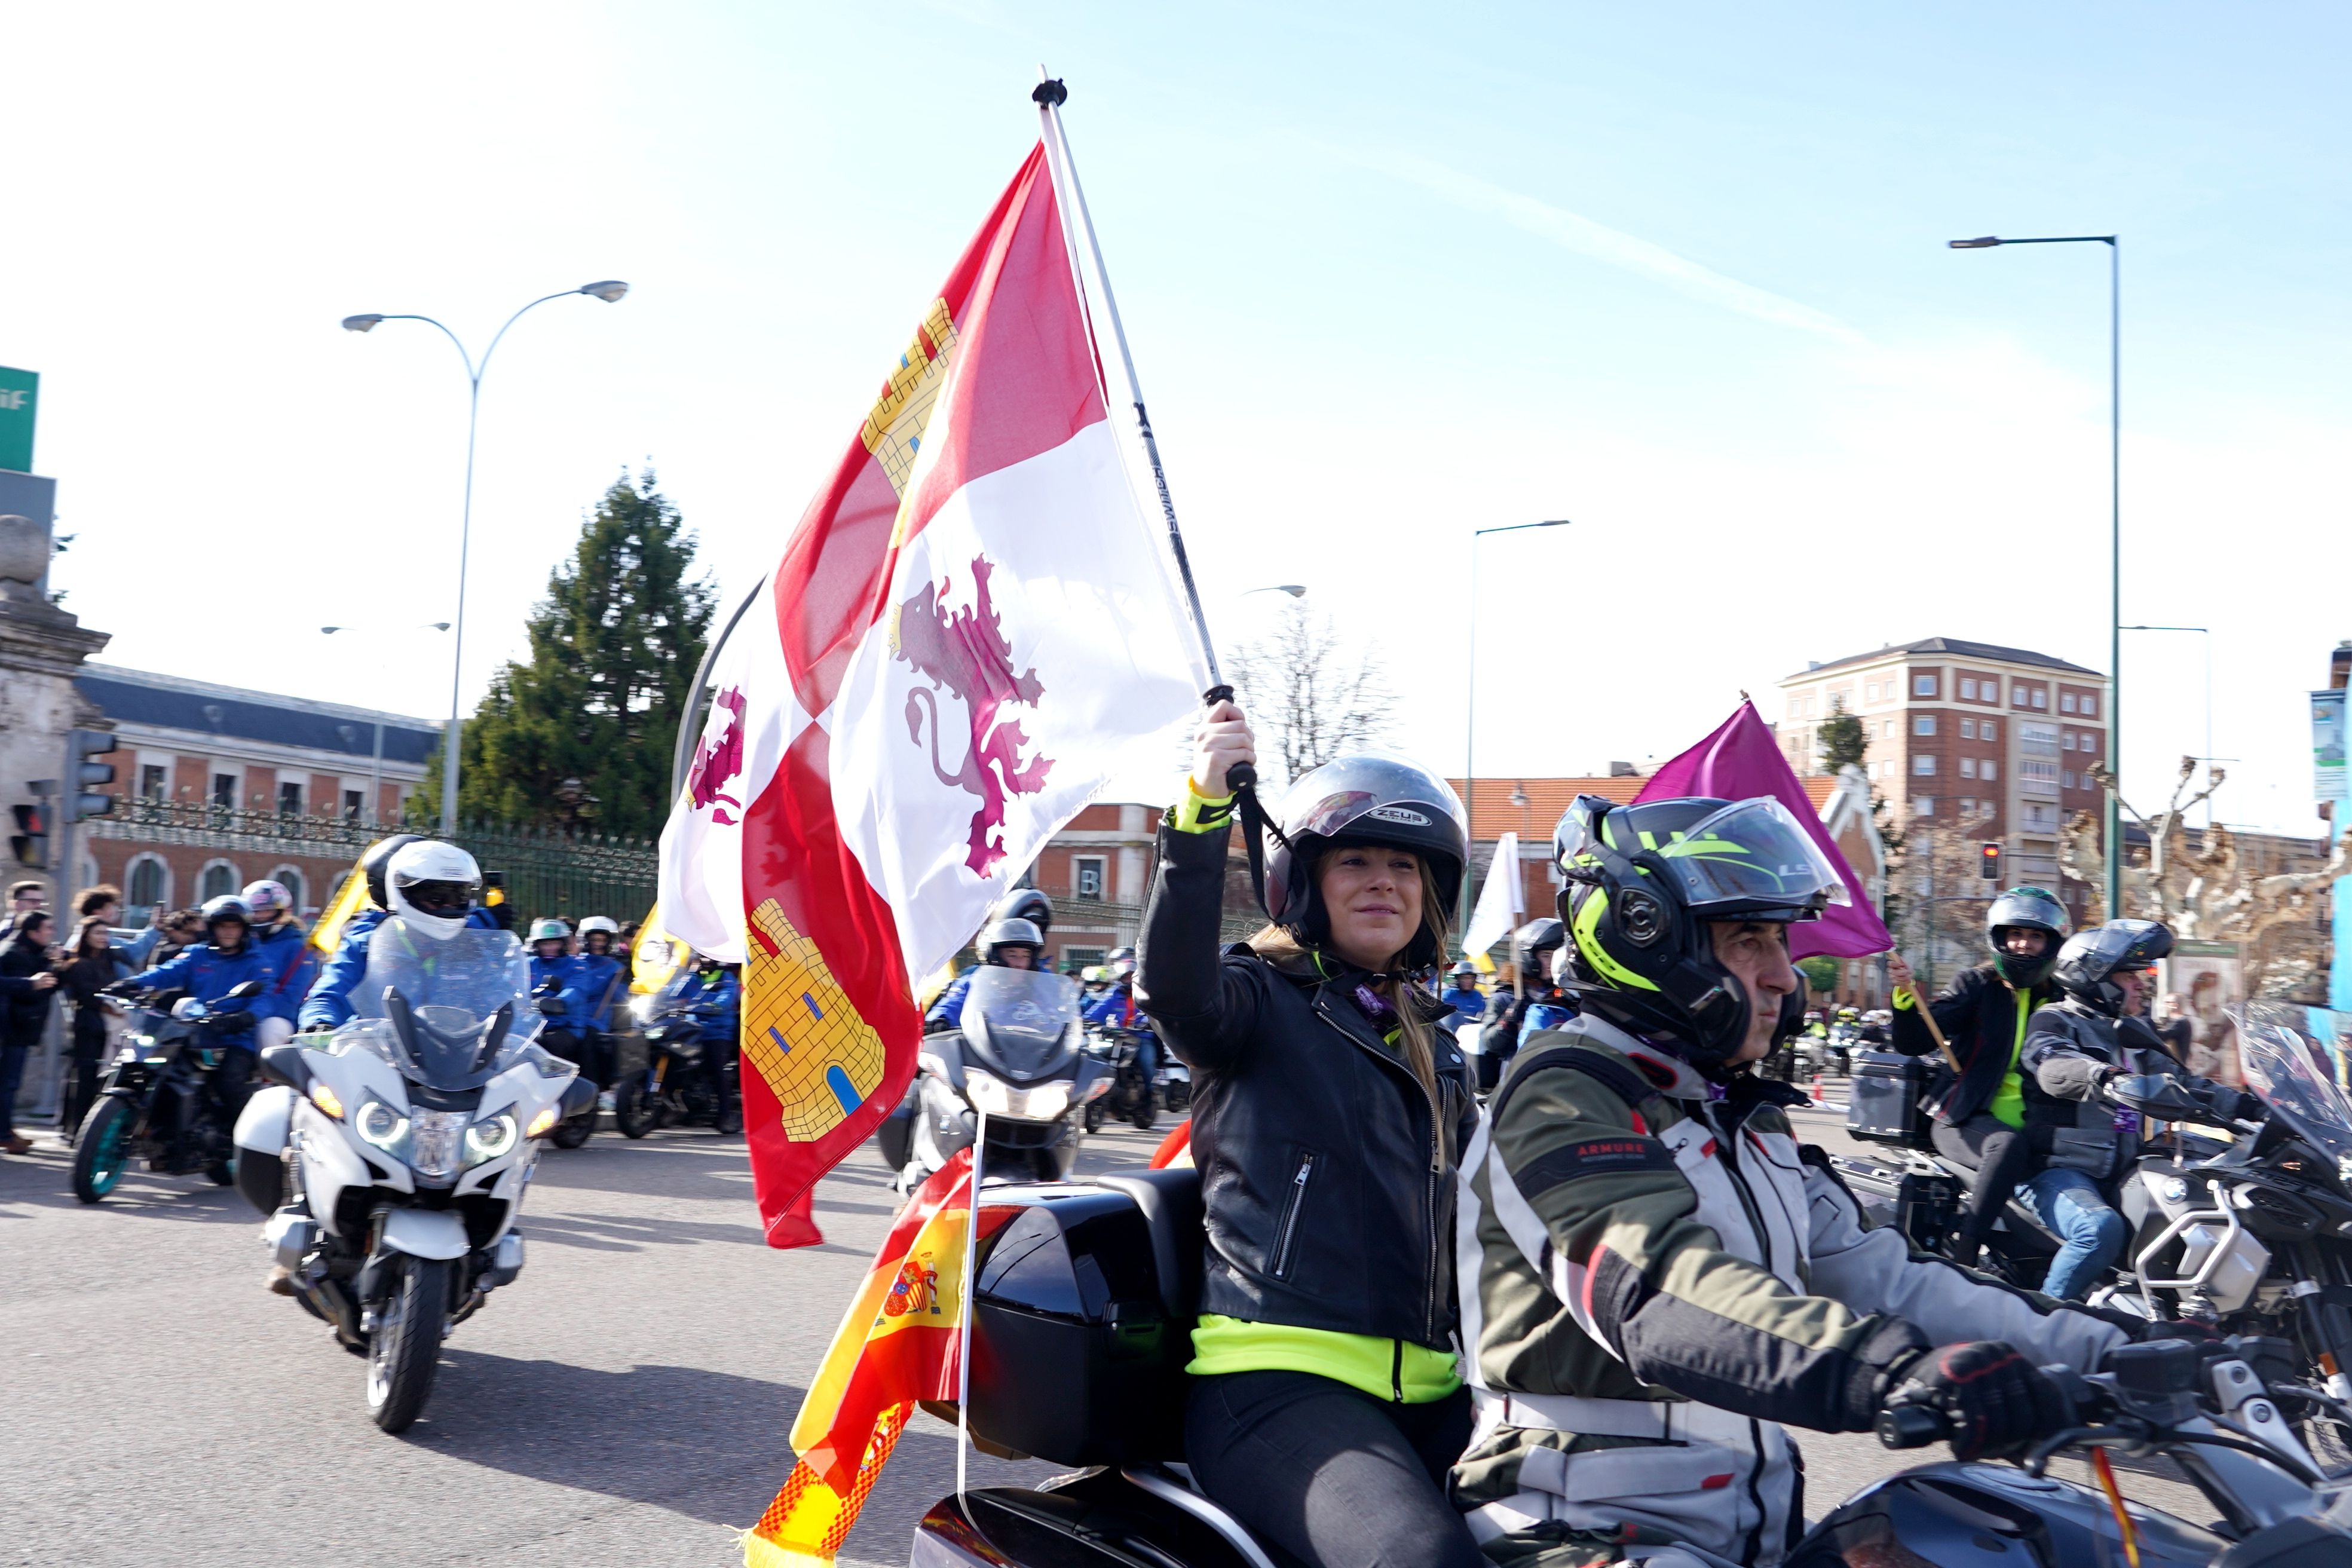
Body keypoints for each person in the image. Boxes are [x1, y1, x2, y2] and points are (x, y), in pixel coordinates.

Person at [1455, 795, 2140, 1566]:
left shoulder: (1740, 1111)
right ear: (1643, 936)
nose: (1786, 976)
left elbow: (1887, 1276)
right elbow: (1660, 1295)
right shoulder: (1565, 1095)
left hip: (1742, 1530)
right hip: (1575, 1528)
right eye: (1750, 940)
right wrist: (1896, 1371)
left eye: (1782, 939)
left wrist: (2121, 1347)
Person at [1135, 701, 1484, 1568]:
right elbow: (1174, 990)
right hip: (1281, 1385)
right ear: (1305, 885)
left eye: (1404, 865)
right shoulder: (1255, 1000)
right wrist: (1202, 812)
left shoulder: (1437, 1045)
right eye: (1355, 860)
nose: (1383, 882)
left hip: (1441, 1389)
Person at [2018, 919, 2252, 1302]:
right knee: (2099, 1229)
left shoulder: (2133, 1031)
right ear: (2094, 979)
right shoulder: (2056, 1020)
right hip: (2056, 1171)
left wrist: (2252, 1106)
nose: (2142, 984)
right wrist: (2106, 1076)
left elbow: (2183, 1083)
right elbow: (2052, 1065)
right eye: (2130, 976)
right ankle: (2045, 1320)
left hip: (2121, 1171)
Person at [1884, 886, 2071, 1267]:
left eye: (2035, 936)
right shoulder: (1976, 985)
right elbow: (1915, 1040)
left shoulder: (2062, 999)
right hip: (1962, 1118)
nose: (2023, 945)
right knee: (2008, 1146)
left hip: (2038, 1130)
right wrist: (1905, 997)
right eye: (2015, 934)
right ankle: (1967, 1249)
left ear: (2052, 943)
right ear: (1999, 938)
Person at [299, 838, 500, 1032]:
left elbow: (500, 998)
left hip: (458, 1059)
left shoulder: (471, 949)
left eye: (459, 896)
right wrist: (319, 1023)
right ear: (404, 893)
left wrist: (526, 1030)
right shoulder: (366, 946)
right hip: (379, 1056)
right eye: (437, 896)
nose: (448, 905)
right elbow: (330, 994)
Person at [139, 895, 269, 1128]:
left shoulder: (256, 962)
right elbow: (166, 972)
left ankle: (238, 1145)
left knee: (229, 1084)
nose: (228, 932)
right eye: (222, 926)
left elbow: (265, 996)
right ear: (212, 928)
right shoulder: (197, 954)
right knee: (161, 1073)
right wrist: (133, 983)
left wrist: (246, 1017)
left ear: (244, 930)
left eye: (235, 926)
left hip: (235, 1038)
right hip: (194, 1033)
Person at [53, 916, 127, 1142]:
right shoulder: (79, 963)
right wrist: (109, 1007)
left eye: (106, 933)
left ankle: (90, 1129)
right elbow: (86, 995)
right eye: (98, 933)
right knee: (85, 1077)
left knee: (100, 1078)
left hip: (106, 1025)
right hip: (88, 1023)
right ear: (86, 936)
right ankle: (76, 1130)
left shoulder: (109, 961)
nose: (103, 938)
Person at [1476, 918, 1566, 1087]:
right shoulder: (1505, 997)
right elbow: (1489, 1043)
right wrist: (1509, 1019)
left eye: (1556, 955)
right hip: (1518, 1077)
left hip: (1558, 1076)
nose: (1552, 962)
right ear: (1529, 957)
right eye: (1546, 956)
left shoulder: (1563, 995)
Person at [0, 911, 62, 1154]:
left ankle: (5, 1130)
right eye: (48, 928)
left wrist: (54, 964)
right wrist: (30, 983)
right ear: (32, 932)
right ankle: (4, 1134)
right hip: (10, 1029)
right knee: (8, 1084)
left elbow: (47, 987)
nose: (52, 932)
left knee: (9, 1084)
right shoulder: (13, 953)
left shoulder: (31, 953)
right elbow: (29, 987)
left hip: (18, 1029)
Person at [924, 918, 1045, 1031]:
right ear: (994, 957)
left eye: (1026, 956)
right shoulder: (972, 984)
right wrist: (939, 1021)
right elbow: (949, 1007)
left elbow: (1055, 1018)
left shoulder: (1039, 989)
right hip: (977, 1052)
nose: (1021, 964)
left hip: (1030, 1052)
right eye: (1012, 956)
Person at [240, 879, 315, 1051]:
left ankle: (271, 1078)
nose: (258, 916)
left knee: (270, 1030)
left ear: (281, 912)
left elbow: (291, 997)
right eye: (254, 911)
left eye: (265, 910)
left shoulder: (299, 947)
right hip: (238, 1010)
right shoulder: (243, 941)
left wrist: (252, 1013)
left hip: (278, 1016)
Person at [1440, 961, 1485, 1032]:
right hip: (1450, 1035)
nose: (1468, 981)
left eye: (1471, 978)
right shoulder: (1448, 995)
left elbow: (1481, 1019)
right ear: (1457, 979)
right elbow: (1443, 1021)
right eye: (1464, 978)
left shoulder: (1478, 996)